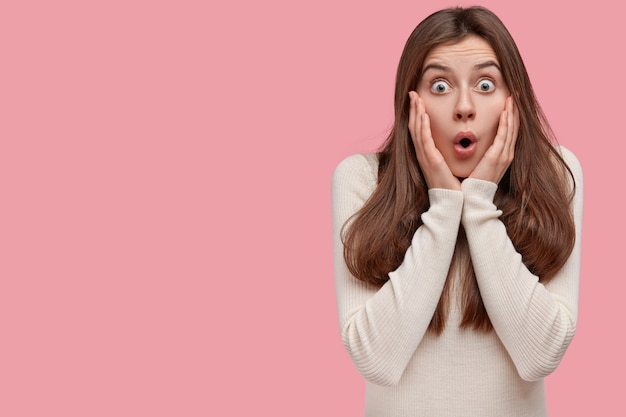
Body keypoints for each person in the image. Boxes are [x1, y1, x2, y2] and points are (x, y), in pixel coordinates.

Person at [331, 6, 583, 417]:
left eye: (485, 84)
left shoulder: (557, 174)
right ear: (411, 101)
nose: (464, 107)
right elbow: (376, 360)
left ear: (511, 99)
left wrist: (479, 203)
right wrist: (445, 204)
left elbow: (540, 354)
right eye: (440, 85)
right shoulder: (361, 180)